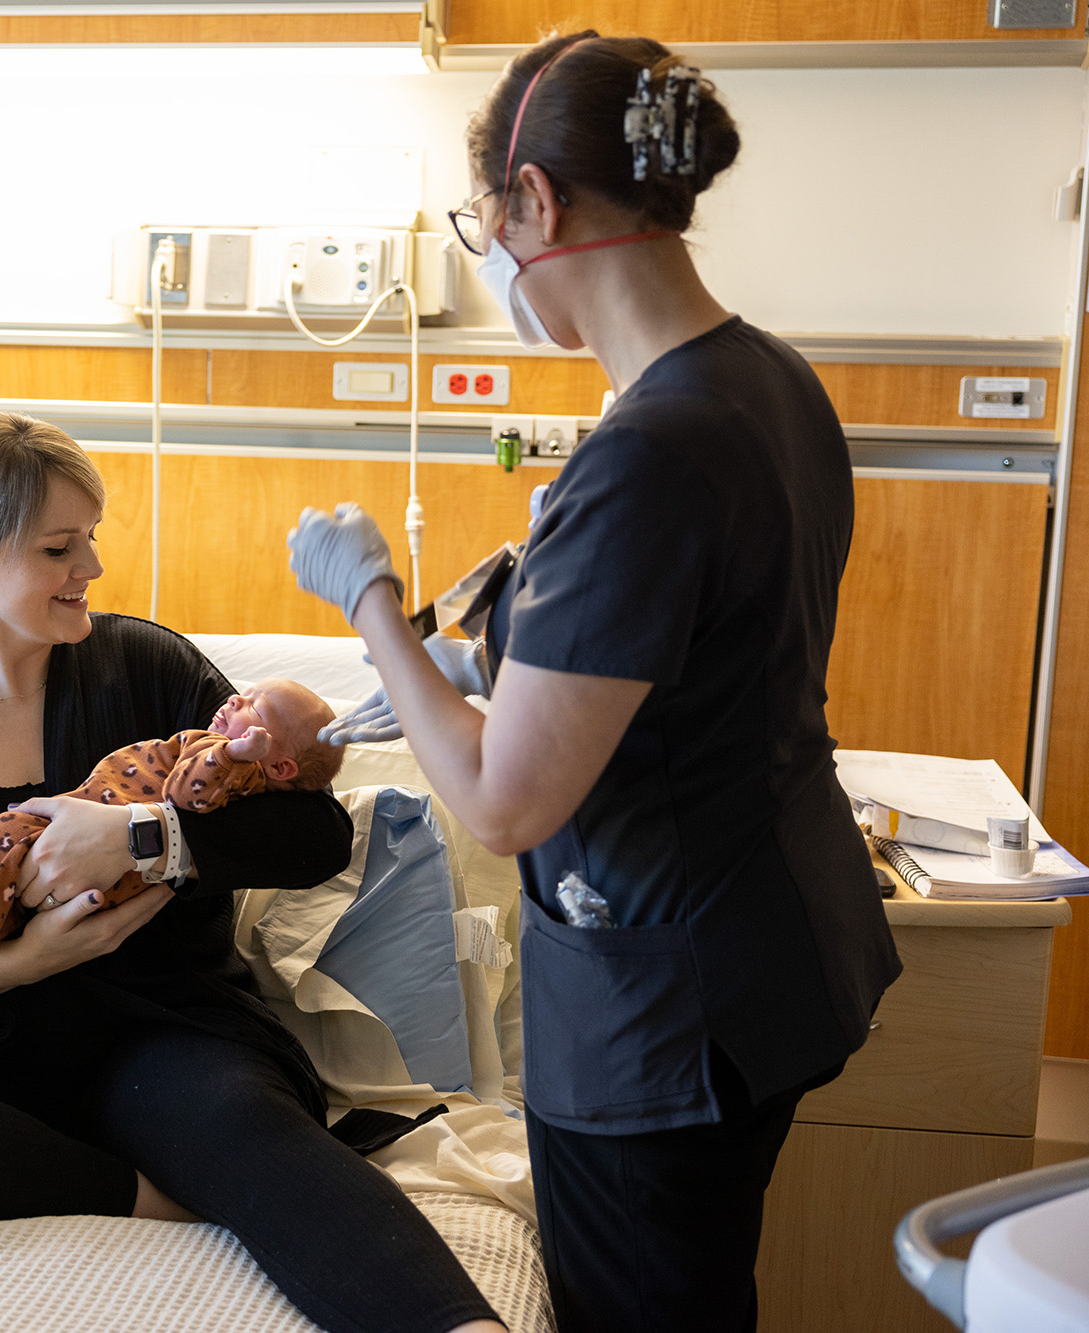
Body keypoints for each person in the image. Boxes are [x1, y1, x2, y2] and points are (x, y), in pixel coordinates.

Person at [286, 33, 902, 1333]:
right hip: (774, 948)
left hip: (662, 1007)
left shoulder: (648, 455)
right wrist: (496, 648)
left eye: (486, 223)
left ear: (540, 205)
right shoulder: (768, 383)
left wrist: (371, 606)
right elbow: (691, 662)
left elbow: (505, 806)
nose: (495, 256)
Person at [0, 410, 506, 1333]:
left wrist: (145, 839)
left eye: (92, 539)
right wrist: (16, 965)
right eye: (60, 547)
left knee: (245, 1120)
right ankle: (148, 1191)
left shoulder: (146, 666)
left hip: (152, 1031)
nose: (93, 570)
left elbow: (311, 835)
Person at [0, 678, 345, 958]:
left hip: (163, 990)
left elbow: (194, 796)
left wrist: (132, 835)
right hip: (16, 972)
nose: (232, 700)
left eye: (254, 707)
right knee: (10, 847)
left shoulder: (235, 767)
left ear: (281, 766)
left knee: (9, 838)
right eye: (58, 546)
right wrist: (28, 961)